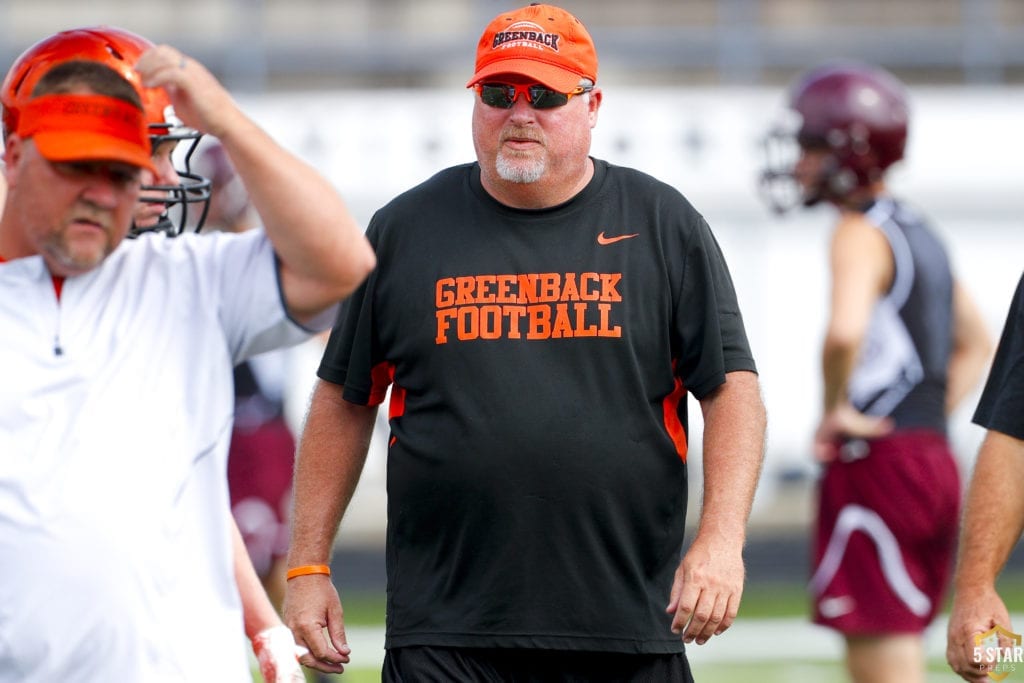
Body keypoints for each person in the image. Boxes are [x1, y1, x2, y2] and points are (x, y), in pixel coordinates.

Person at [283, 4, 766, 681]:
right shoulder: (403, 229)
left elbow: (731, 390)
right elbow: (344, 396)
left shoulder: (663, 225)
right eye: (498, 93)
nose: (520, 112)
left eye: (545, 95)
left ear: (593, 104)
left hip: (625, 627)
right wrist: (307, 564)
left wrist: (721, 541)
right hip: (444, 631)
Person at [0, 32, 375, 683]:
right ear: (15, 154)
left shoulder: (187, 277)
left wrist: (223, 116)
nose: (155, 179)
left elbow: (341, 260)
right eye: (79, 162)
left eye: (127, 165)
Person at [760, 62, 992, 683]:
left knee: (884, 666)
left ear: (850, 149)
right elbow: (976, 341)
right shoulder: (923, 232)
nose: (800, 161)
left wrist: (835, 407)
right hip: (932, 459)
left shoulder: (857, 231)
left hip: (878, 465)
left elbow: (844, 332)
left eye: (811, 144)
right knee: (922, 644)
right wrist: (923, 418)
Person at [196, 139, 301, 615]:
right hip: (220, 429)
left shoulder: (261, 253)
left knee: (271, 552)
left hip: (262, 430)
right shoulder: (192, 253)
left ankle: (302, 655)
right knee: (217, 552)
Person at [946, 271, 1024, 682]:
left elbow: (843, 334)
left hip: (885, 455)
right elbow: (1015, 431)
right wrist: (977, 588)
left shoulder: (858, 235)